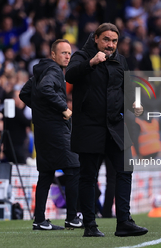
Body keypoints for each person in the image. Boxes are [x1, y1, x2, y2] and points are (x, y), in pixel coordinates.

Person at [65, 23, 148, 237]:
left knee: (125, 170)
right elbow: (70, 76)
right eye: (106, 40)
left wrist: (134, 104)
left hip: (115, 125)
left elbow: (127, 90)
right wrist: (92, 62)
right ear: (96, 38)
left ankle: (124, 222)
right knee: (88, 176)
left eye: (114, 41)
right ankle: (90, 226)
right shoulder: (82, 56)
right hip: (90, 126)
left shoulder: (121, 61)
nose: (110, 44)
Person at [19, 39, 82, 231]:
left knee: (46, 174)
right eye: (63, 53)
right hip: (55, 129)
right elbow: (45, 89)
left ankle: (39, 220)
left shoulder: (41, 71)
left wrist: (41, 111)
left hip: (42, 129)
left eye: (69, 53)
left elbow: (24, 93)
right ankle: (72, 217)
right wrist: (62, 107)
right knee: (73, 167)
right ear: (53, 55)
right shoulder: (54, 71)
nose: (67, 56)